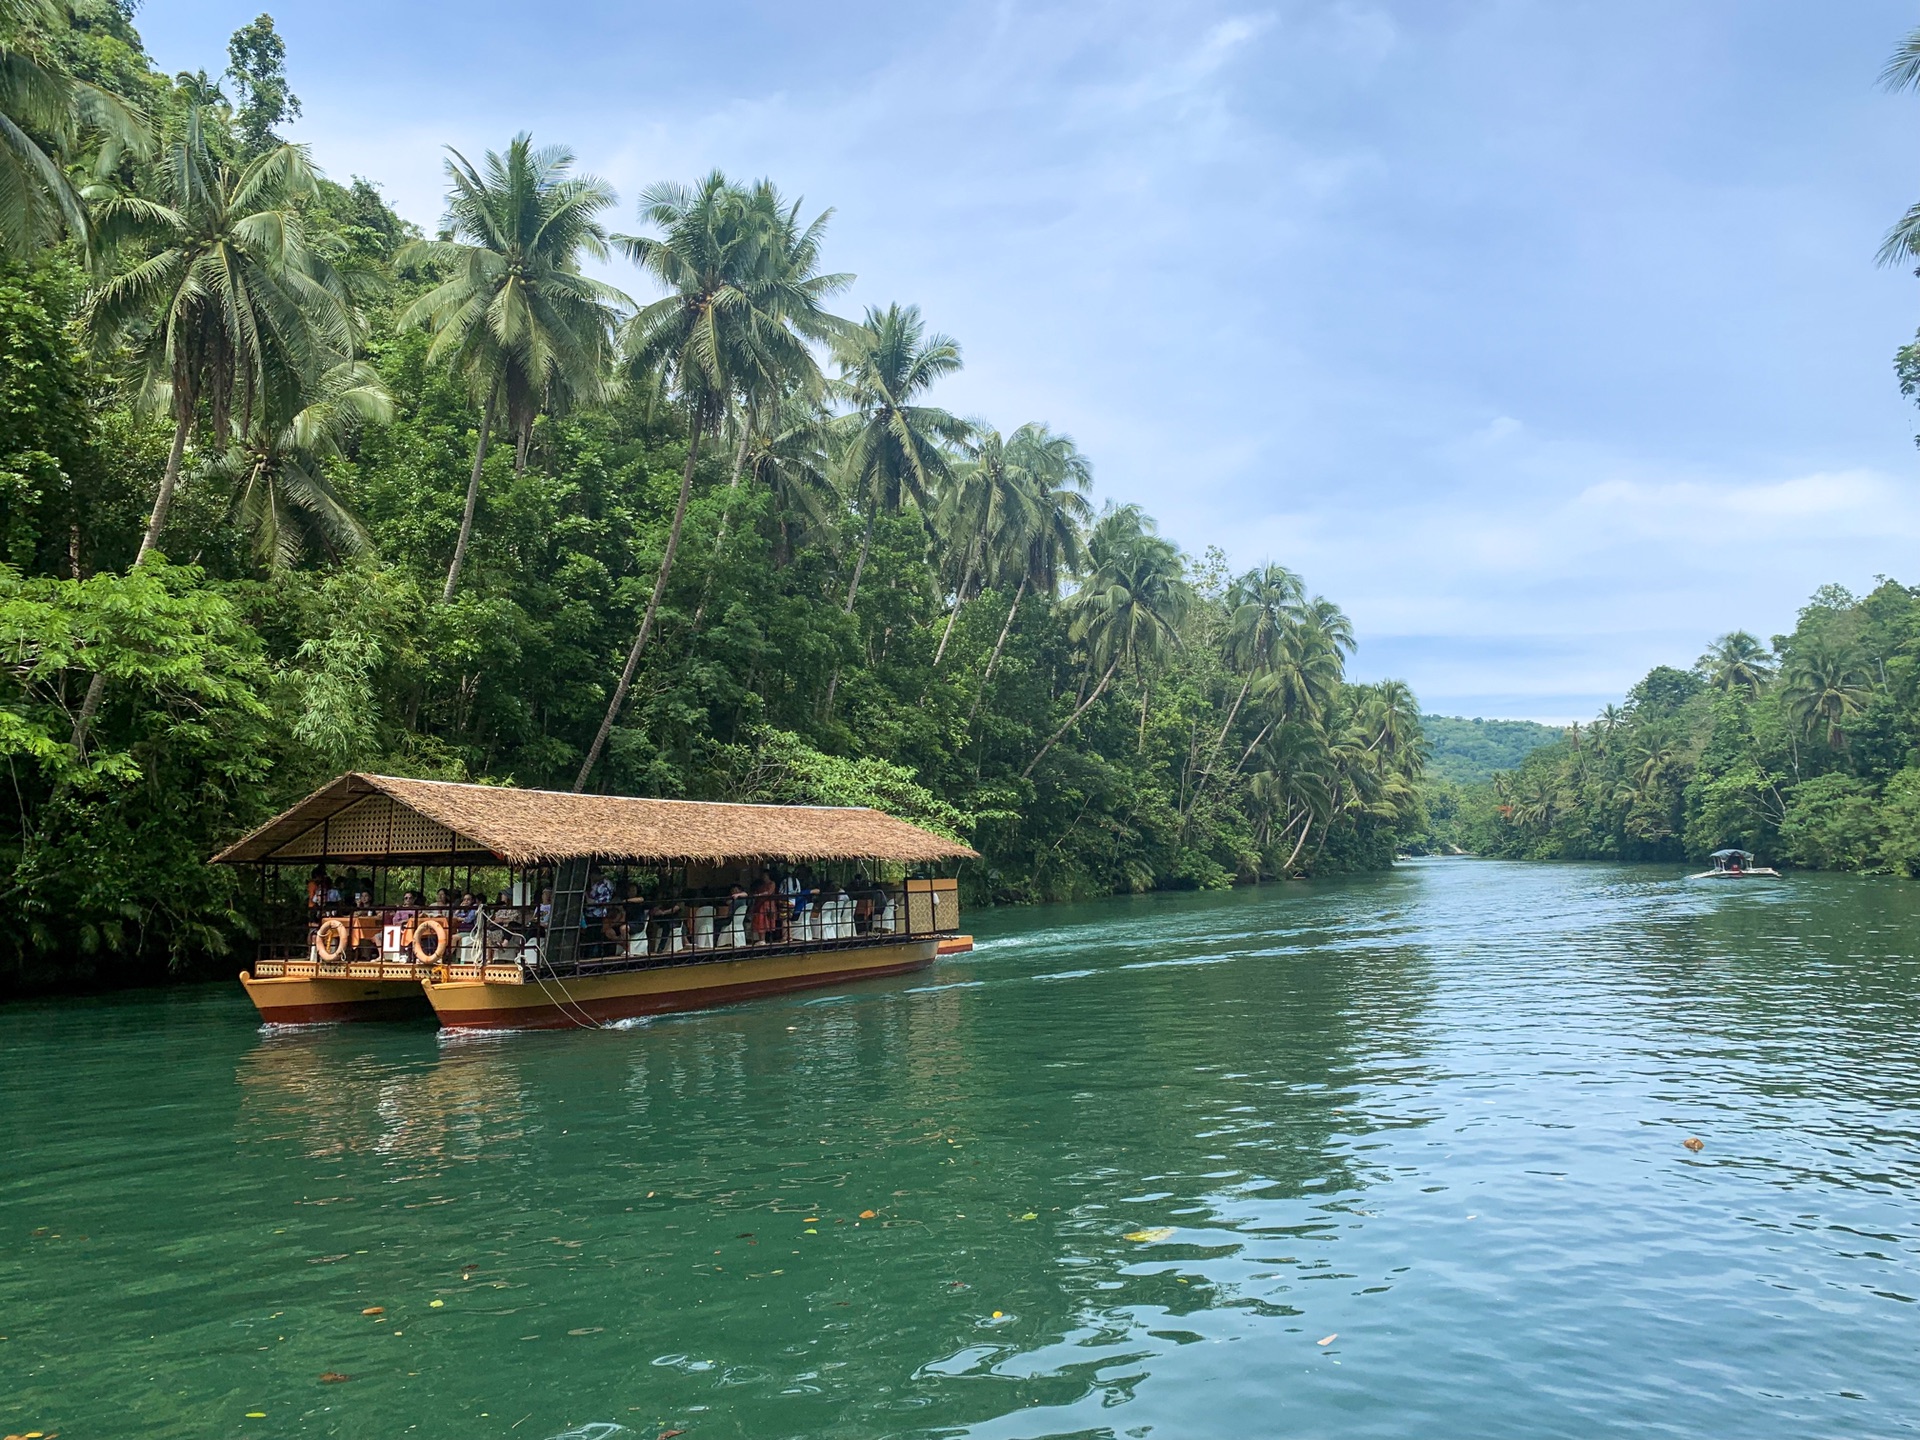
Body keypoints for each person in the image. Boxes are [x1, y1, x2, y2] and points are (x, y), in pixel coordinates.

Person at [749, 873, 780, 945]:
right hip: (760, 904)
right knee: (760, 920)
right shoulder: (761, 885)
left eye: (765, 876)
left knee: (765, 921)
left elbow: (769, 892)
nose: (763, 877)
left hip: (767, 904)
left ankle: (765, 939)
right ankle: (761, 939)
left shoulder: (772, 883)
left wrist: (759, 895)